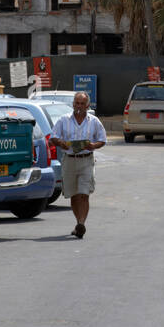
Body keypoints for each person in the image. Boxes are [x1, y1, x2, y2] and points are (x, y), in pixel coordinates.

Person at [50, 91, 106, 238]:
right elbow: (53, 137)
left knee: (84, 193)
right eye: (76, 103)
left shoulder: (94, 121)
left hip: (86, 160)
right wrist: (61, 143)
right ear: (73, 104)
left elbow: (102, 139)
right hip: (69, 160)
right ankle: (78, 222)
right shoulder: (63, 120)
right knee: (73, 195)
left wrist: (93, 145)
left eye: (82, 104)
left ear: (87, 106)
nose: (79, 106)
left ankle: (82, 223)